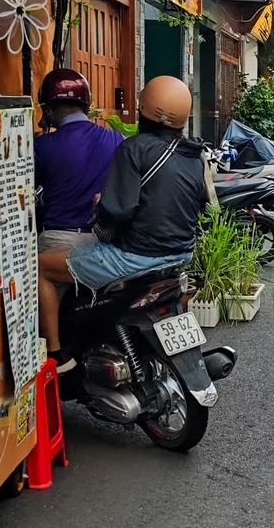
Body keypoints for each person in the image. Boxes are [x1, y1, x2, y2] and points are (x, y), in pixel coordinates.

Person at [37, 77, 209, 374]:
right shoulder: (193, 155)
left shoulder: (134, 148)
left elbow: (119, 210)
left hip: (135, 256)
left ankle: (55, 354)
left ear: (143, 111)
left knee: (38, 266)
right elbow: (200, 204)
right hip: (181, 255)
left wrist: (100, 212)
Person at [33, 69, 124, 254]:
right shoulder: (117, 139)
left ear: (49, 108)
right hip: (102, 244)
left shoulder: (42, 145)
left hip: (56, 240)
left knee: (42, 276)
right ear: (86, 105)